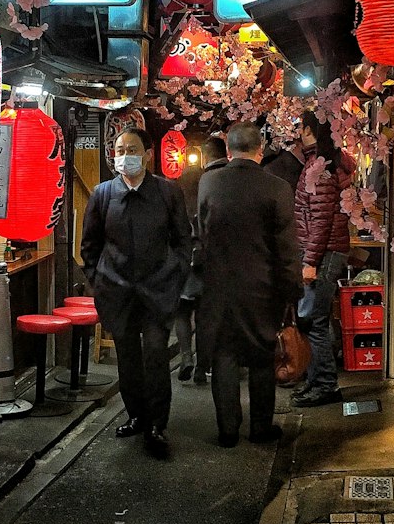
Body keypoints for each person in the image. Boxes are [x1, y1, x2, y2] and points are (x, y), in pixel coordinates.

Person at [81, 127, 192, 458]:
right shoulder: (102, 194)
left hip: (158, 290)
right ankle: (136, 416)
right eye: (118, 149)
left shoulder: (168, 192)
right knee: (127, 358)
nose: (124, 155)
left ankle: (158, 423)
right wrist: (98, 279)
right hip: (117, 292)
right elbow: (90, 245)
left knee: (156, 354)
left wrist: (175, 275)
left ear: (147, 155)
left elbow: (183, 240)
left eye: (131, 149)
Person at [196, 123, 301, 446]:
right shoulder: (277, 188)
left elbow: (202, 233)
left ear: (227, 151)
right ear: (261, 150)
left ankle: (227, 430)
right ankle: (260, 428)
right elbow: (286, 247)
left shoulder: (209, 183)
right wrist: (292, 290)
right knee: (260, 358)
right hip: (262, 287)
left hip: (218, 286)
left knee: (224, 355)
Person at [293, 109, 355, 407]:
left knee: (315, 321)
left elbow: (320, 221)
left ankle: (326, 386)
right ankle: (316, 381)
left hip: (324, 252)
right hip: (326, 250)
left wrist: (309, 262)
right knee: (316, 320)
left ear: (309, 130)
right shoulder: (321, 162)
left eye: (301, 127)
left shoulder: (320, 167)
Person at [175, 133, 228, 385]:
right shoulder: (228, 179)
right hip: (214, 258)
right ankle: (202, 367)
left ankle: (186, 357)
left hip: (186, 253)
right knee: (206, 315)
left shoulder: (183, 179)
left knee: (182, 311)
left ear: (204, 156)